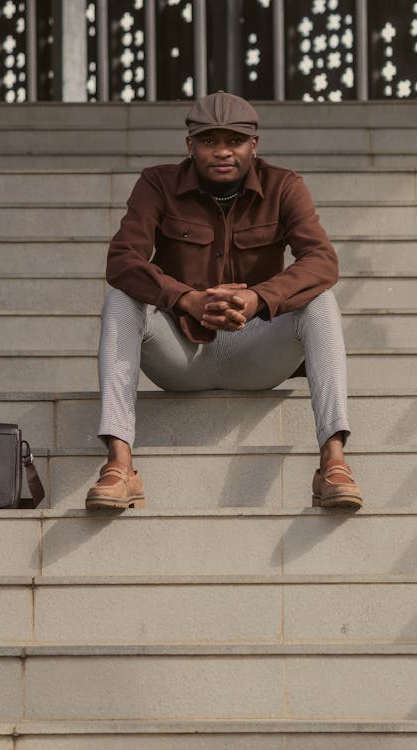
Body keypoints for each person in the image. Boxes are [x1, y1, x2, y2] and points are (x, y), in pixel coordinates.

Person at [85, 91, 363, 512]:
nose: (222, 152)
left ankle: (333, 462)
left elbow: (323, 260)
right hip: (181, 352)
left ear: (254, 144)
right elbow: (122, 259)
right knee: (121, 299)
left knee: (321, 300)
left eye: (233, 141)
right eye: (209, 141)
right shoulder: (157, 183)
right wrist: (186, 299)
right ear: (190, 146)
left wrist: (259, 298)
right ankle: (120, 466)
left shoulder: (284, 185)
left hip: (256, 352)